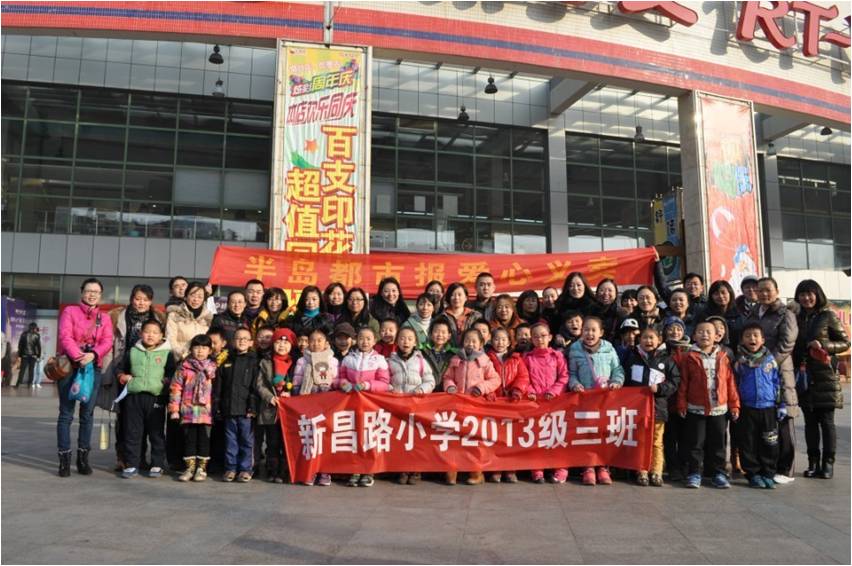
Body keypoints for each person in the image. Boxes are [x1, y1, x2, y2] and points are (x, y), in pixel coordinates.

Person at [792, 279, 850, 480]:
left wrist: (824, 345)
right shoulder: (796, 318)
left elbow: (845, 342)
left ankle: (828, 464)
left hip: (825, 377)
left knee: (826, 422)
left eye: (810, 294)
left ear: (817, 295)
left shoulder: (827, 315)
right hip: (804, 377)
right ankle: (813, 462)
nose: (806, 298)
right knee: (809, 423)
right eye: (802, 294)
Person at [56, 278, 114, 477]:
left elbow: (107, 340)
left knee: (87, 414)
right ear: (82, 292)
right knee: (66, 414)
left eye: (96, 292)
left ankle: (83, 459)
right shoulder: (70, 311)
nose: (92, 295)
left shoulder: (104, 317)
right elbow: (65, 336)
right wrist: (78, 356)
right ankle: (64, 459)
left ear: (100, 295)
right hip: (69, 367)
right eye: (89, 291)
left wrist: (93, 355)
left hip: (92, 368)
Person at [677, 321, 740, 489]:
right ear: (694, 336)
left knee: (718, 444)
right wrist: (681, 403)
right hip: (695, 408)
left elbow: (730, 382)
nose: (704, 335)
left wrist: (734, 405)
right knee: (695, 443)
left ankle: (719, 473)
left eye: (708, 332)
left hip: (719, 409)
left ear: (716, 336)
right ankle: (694, 473)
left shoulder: (723, 356)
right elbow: (684, 382)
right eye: (700, 331)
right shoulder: (689, 357)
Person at [748, 276, 799, 484]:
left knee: (784, 418)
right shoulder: (754, 312)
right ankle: (767, 466)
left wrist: (769, 362)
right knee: (766, 422)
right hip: (757, 372)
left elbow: (787, 343)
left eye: (768, 290)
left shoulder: (785, 314)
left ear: (777, 291)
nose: (763, 294)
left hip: (779, 371)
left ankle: (786, 469)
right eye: (760, 290)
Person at [115, 319, 175, 479]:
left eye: (155, 332)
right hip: (134, 397)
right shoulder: (132, 351)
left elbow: (172, 372)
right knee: (133, 432)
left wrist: (166, 382)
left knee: (156, 433)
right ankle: (132, 464)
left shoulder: (167, 353)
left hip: (156, 398)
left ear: (161, 336)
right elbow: (120, 368)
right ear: (141, 333)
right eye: (147, 331)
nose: (150, 335)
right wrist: (122, 376)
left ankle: (157, 464)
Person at [569, 316, 625, 486]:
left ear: (601, 332)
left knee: (604, 433)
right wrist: (575, 384)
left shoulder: (609, 348)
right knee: (587, 434)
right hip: (585, 400)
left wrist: (617, 382)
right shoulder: (575, 349)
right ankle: (588, 467)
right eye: (586, 330)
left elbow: (618, 369)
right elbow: (571, 373)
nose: (589, 333)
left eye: (593, 330)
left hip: (605, 400)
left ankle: (603, 467)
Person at [442, 327, 500, 486]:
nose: (470, 344)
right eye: (467, 340)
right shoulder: (456, 359)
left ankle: (476, 472)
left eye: (474, 341)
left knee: (474, 440)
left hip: (476, 406)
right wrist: (450, 387)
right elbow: (447, 377)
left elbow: (495, 380)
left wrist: (481, 388)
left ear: (481, 344)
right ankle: (452, 469)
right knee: (454, 438)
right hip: (457, 405)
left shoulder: (485, 361)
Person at [624, 327, 680, 487]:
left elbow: (675, 381)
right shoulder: (633, 358)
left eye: (651, 338)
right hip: (637, 409)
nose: (648, 341)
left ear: (659, 340)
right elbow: (626, 381)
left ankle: (656, 472)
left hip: (658, 408)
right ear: (639, 340)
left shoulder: (667, 360)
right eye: (644, 338)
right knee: (640, 440)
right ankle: (641, 470)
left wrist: (660, 389)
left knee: (656, 441)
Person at [734, 322, 783, 489]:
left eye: (756, 335)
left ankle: (768, 472)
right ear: (742, 340)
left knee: (770, 442)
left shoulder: (770, 360)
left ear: (763, 340)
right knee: (748, 442)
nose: (752, 338)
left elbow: (778, 382)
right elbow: (734, 383)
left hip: (768, 407)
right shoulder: (739, 362)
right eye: (748, 336)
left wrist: (781, 404)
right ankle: (753, 473)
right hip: (747, 407)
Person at [524, 322, 570, 484]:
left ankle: (560, 467)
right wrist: (531, 392)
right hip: (535, 403)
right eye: (535, 337)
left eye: (543, 336)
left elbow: (564, 376)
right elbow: (523, 378)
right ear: (531, 339)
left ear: (550, 337)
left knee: (558, 435)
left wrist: (554, 391)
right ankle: (537, 467)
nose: (540, 339)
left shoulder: (557, 356)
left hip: (556, 402)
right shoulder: (527, 358)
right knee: (537, 435)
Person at [388, 326, 435, 485]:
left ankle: (416, 470)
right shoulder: (389, 361)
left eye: (410, 338)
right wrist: (390, 390)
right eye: (402, 338)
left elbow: (430, 380)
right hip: (397, 407)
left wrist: (421, 390)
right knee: (400, 439)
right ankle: (402, 469)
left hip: (417, 407)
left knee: (416, 440)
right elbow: (385, 380)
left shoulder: (421, 361)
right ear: (397, 341)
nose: (406, 342)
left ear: (415, 342)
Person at [168, 333, 218, 482]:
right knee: (189, 439)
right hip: (188, 410)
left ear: (210, 350)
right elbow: (176, 388)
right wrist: (174, 409)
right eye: (197, 347)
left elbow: (218, 390)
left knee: (204, 440)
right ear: (191, 349)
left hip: (206, 412)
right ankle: (189, 468)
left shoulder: (213, 368)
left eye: (204, 348)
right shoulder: (184, 367)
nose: (200, 351)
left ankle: (201, 469)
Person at [292, 328, 338, 486]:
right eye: (312, 340)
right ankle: (310, 471)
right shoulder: (302, 361)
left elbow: (336, 381)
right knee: (309, 438)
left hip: (327, 404)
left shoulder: (333, 360)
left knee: (325, 438)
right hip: (308, 403)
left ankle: (325, 471)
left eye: (319, 340)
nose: (316, 343)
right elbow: (297, 382)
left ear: (326, 343)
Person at [213, 327, 259, 483]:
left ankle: (245, 469)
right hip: (229, 408)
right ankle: (230, 468)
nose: (242, 341)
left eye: (245, 339)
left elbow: (255, 387)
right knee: (230, 441)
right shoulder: (226, 361)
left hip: (246, 410)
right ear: (233, 341)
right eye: (238, 338)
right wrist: (218, 406)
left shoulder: (254, 361)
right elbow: (219, 387)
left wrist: (252, 407)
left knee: (246, 441)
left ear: (251, 342)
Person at [486, 327, 529, 484]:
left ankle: (511, 469)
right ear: (491, 341)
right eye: (497, 339)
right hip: (494, 404)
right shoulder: (486, 358)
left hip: (512, 403)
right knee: (496, 438)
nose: (500, 342)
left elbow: (523, 376)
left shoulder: (517, 359)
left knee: (511, 438)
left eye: (504, 339)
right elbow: (483, 377)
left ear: (510, 342)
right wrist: (489, 391)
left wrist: (517, 390)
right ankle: (496, 469)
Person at [256, 328, 296, 484]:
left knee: (286, 442)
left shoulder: (295, 363)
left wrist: (291, 394)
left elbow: (298, 382)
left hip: (289, 411)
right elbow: (260, 385)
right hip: (271, 409)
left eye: (286, 343)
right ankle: (272, 469)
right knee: (272, 442)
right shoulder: (265, 362)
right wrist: (270, 397)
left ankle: (284, 470)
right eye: (278, 342)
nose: (282, 346)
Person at [165, 281, 215, 362]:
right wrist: (183, 356)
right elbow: (170, 340)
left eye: (200, 297)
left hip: (203, 363)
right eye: (193, 295)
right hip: (181, 361)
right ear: (185, 296)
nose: (196, 299)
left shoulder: (208, 318)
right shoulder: (175, 315)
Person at [435, 282, 482, 347]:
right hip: (447, 351)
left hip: (470, 350)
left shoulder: (475, 316)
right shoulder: (441, 317)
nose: (456, 298)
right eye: (453, 295)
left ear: (466, 297)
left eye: (459, 295)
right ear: (448, 297)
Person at [702, 280, 742, 348]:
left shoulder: (739, 312)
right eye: (716, 294)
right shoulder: (706, 315)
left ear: (730, 293)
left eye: (723, 293)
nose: (720, 296)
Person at [422, 319, 457, 390]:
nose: (440, 335)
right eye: (436, 331)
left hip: (446, 391)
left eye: (443, 332)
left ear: (449, 336)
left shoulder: (454, 354)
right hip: (426, 390)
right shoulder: (423, 352)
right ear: (430, 334)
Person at [15, 322, 41, 388]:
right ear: (34, 327)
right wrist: (38, 355)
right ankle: (29, 384)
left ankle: (18, 383)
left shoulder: (23, 334)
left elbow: (20, 345)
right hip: (33, 355)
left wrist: (20, 355)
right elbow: (38, 346)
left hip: (24, 355)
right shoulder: (37, 335)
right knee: (31, 370)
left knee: (22, 370)